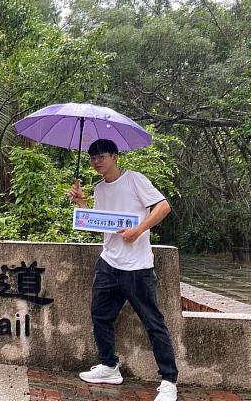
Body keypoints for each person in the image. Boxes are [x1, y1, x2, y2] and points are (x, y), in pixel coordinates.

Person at [68, 138, 178, 401]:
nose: (96, 161)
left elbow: (163, 207)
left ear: (115, 157)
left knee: (153, 323)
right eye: (93, 157)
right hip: (109, 262)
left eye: (102, 156)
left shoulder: (134, 180)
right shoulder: (99, 188)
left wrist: (138, 230)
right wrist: (82, 204)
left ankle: (169, 381)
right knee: (100, 315)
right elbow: (100, 222)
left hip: (137, 267)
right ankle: (108, 366)